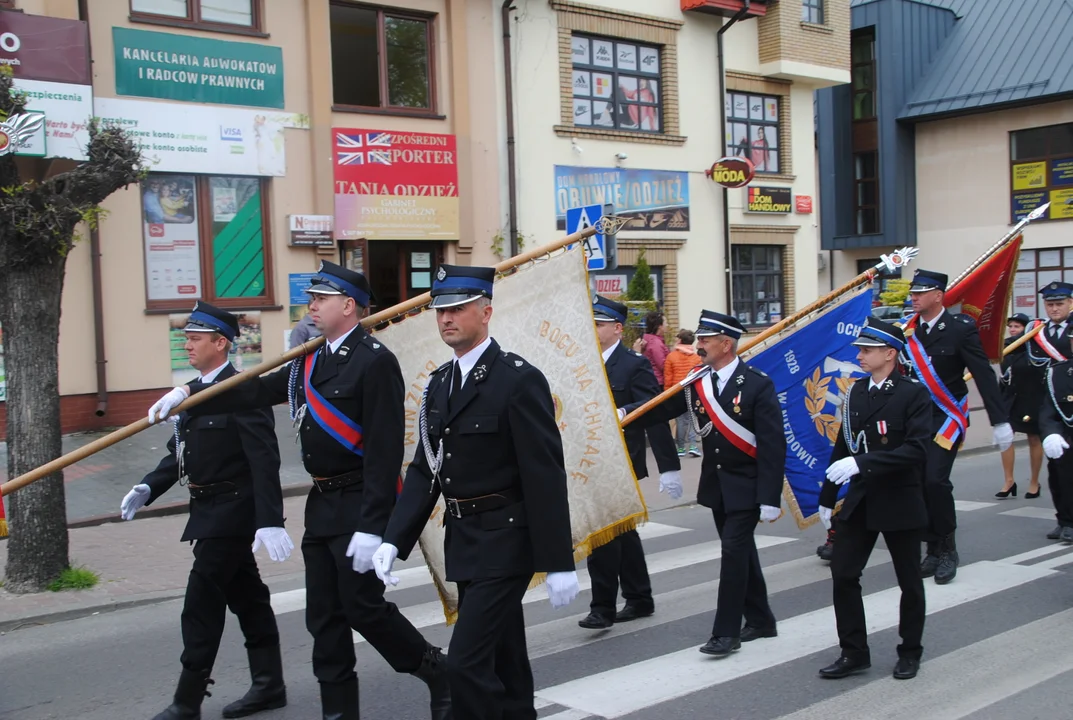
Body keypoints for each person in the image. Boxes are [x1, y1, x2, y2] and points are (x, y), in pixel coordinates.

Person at [146, 262, 450, 720]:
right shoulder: (310, 357)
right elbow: (252, 392)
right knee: (324, 619)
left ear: (348, 306)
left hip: (358, 506)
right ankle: (338, 713)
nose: (311, 305)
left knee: (365, 611)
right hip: (323, 505)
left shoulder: (375, 361)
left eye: (321, 298)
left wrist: (373, 527)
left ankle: (437, 673)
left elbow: (385, 452)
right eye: (313, 298)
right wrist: (189, 391)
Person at [371, 265, 580, 719]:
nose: (446, 318)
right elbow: (426, 469)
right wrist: (393, 538)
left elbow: (544, 477)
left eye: (458, 309)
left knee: (465, 664)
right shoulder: (439, 385)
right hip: (465, 541)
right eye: (440, 310)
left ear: (486, 312)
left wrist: (558, 560)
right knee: (505, 659)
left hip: (507, 541)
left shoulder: (517, 379)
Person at [121, 302, 293, 720]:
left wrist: (269, 519)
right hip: (207, 511)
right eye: (186, 338)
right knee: (248, 598)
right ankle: (270, 684)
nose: (188, 345)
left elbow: (264, 459)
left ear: (221, 343)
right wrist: (149, 485)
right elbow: (180, 451)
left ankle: (187, 700)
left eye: (196, 339)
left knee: (201, 600)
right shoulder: (196, 390)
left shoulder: (241, 390)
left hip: (233, 514)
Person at [639, 310, 783, 657]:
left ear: (727, 344)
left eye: (706, 340)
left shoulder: (757, 385)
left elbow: (772, 444)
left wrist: (770, 496)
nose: (699, 345)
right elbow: (662, 407)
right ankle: (761, 619)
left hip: (747, 487)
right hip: (718, 485)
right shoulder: (699, 380)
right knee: (742, 552)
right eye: (700, 338)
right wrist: (625, 413)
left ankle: (726, 633)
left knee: (733, 554)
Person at [816, 317, 931, 681]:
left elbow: (916, 450)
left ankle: (909, 651)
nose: (860, 356)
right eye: (861, 350)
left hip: (899, 499)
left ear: (890, 354)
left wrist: (861, 463)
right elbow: (842, 446)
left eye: (867, 350)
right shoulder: (856, 392)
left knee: (909, 580)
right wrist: (827, 496)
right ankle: (854, 652)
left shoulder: (913, 393)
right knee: (844, 573)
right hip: (863, 500)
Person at [578, 295, 683, 630]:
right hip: (589, 459)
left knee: (603, 533)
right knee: (622, 533)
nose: (593, 329)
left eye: (599, 324)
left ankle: (602, 607)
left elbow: (655, 408)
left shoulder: (632, 364)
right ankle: (640, 597)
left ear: (617, 329)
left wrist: (669, 465)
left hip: (620, 461)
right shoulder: (582, 362)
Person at [904, 269, 1011, 585]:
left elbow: (982, 373)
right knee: (919, 483)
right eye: (913, 293)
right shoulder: (907, 332)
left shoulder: (960, 330)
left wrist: (1000, 420)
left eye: (920, 293)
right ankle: (932, 548)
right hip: (915, 420)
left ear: (938, 295)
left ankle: (948, 548)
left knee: (936, 480)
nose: (914, 298)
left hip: (946, 417)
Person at [1026, 282, 1073, 540]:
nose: (1054, 309)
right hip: (1051, 406)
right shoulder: (1037, 332)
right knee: (1057, 470)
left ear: (1070, 303)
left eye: (1059, 303)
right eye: (1050, 304)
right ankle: (1064, 519)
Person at [996, 312, 1043, 500]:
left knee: (1033, 438)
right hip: (1009, 399)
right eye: (1011, 326)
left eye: (1018, 327)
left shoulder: (1035, 347)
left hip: (1030, 398)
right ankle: (1008, 480)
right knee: (1006, 438)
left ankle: (1034, 481)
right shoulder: (1005, 347)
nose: (1013, 330)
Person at [664, 329, 702, 457]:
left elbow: (668, 377)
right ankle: (693, 446)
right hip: (692, 391)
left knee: (680, 421)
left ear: (680, 340)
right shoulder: (697, 358)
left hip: (676, 391)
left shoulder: (671, 356)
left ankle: (680, 448)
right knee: (693, 419)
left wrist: (666, 393)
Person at [635, 311, 669, 386]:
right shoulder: (655, 343)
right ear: (659, 326)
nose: (667, 325)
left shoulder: (651, 340)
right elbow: (663, 365)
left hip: (653, 379)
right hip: (657, 381)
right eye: (665, 322)